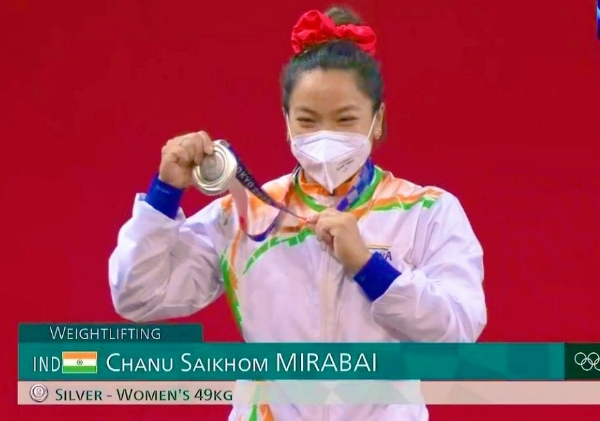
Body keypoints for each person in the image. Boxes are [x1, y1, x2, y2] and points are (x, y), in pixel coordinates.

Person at [108, 6, 487, 421]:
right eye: (308, 121)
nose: (325, 135)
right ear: (286, 122)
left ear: (377, 120)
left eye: (345, 120)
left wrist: (369, 268)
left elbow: (457, 334)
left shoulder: (426, 211)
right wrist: (165, 194)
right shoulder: (244, 214)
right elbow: (137, 296)